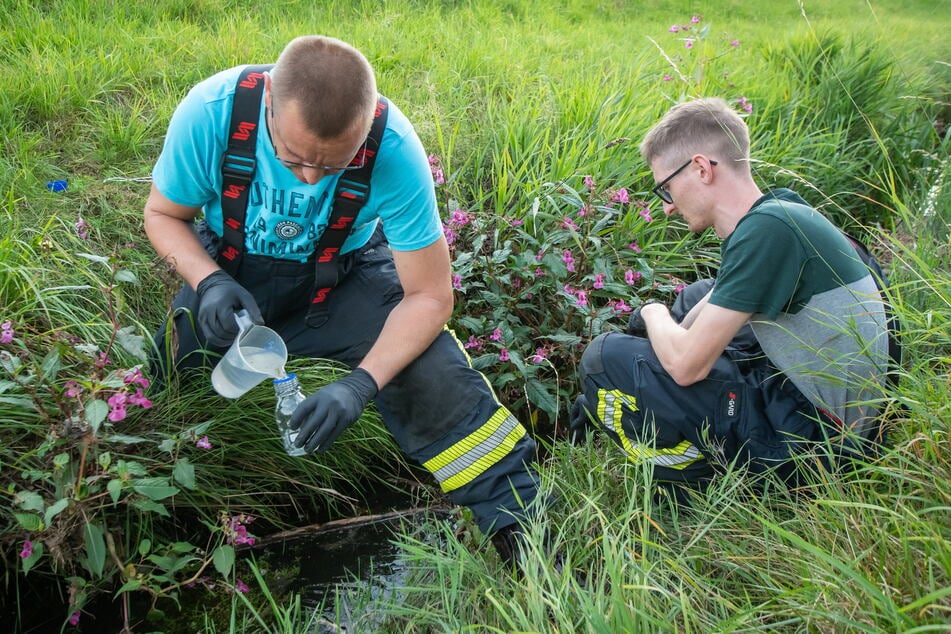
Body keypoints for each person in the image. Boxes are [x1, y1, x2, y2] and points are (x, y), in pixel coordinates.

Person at [144, 35, 541, 565]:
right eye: (292, 158)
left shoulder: (394, 146)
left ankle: (520, 526)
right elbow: (163, 214)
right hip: (231, 275)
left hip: (343, 276)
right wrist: (208, 280)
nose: (310, 178)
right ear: (267, 104)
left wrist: (360, 385)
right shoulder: (213, 112)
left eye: (333, 167)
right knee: (173, 380)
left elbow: (429, 296)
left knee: (431, 372)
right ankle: (174, 525)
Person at [572, 97, 890, 487]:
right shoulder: (781, 210)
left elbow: (687, 366)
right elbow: (693, 317)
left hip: (821, 449)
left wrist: (652, 311)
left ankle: (692, 485)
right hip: (832, 410)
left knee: (604, 357)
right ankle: (597, 416)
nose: (667, 208)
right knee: (695, 296)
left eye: (666, 189)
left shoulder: (767, 232)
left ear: (702, 168)